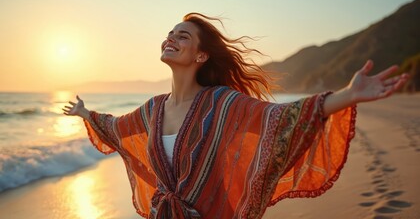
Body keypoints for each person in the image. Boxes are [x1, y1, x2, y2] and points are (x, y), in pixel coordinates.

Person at [62, 13, 408, 219]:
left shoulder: (224, 103)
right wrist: (84, 113)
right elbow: (115, 129)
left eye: (183, 36)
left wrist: (348, 95)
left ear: (201, 56)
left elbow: (283, 119)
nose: (171, 38)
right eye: (170, 33)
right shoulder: (152, 109)